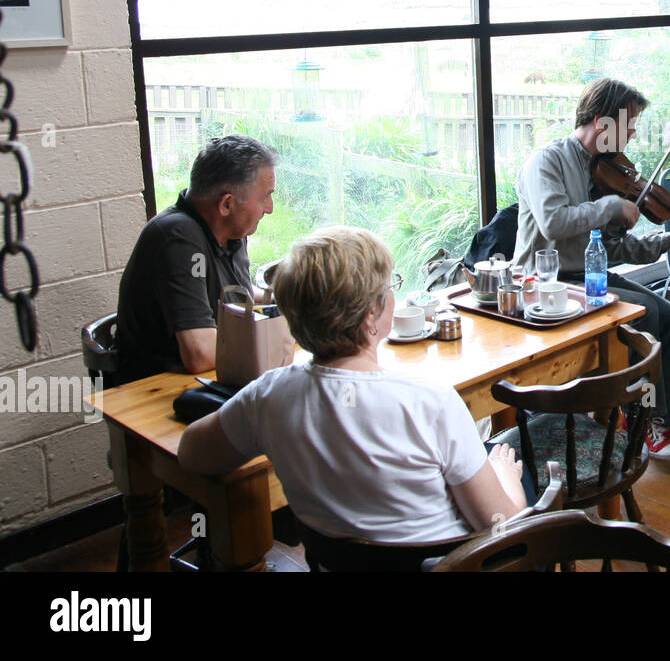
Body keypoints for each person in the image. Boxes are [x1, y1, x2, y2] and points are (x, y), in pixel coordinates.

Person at [178, 226, 526, 544]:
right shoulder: (431, 403)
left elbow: (192, 454)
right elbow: (505, 530)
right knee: (516, 469)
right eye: (390, 287)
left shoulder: (268, 395)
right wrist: (506, 477)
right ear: (371, 315)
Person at [512, 77, 670, 461]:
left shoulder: (606, 172)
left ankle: (669, 421)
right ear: (603, 124)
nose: (635, 132)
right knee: (645, 312)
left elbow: (617, 248)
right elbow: (554, 221)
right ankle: (640, 419)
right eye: (630, 123)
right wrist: (611, 208)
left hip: (589, 277)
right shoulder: (547, 161)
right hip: (546, 284)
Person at [116, 134, 278, 380]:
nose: (270, 208)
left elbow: (234, 296)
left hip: (211, 382)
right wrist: (276, 336)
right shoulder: (177, 238)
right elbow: (200, 353)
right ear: (226, 204)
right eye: (265, 196)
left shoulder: (231, 230)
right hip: (159, 395)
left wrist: (289, 300)